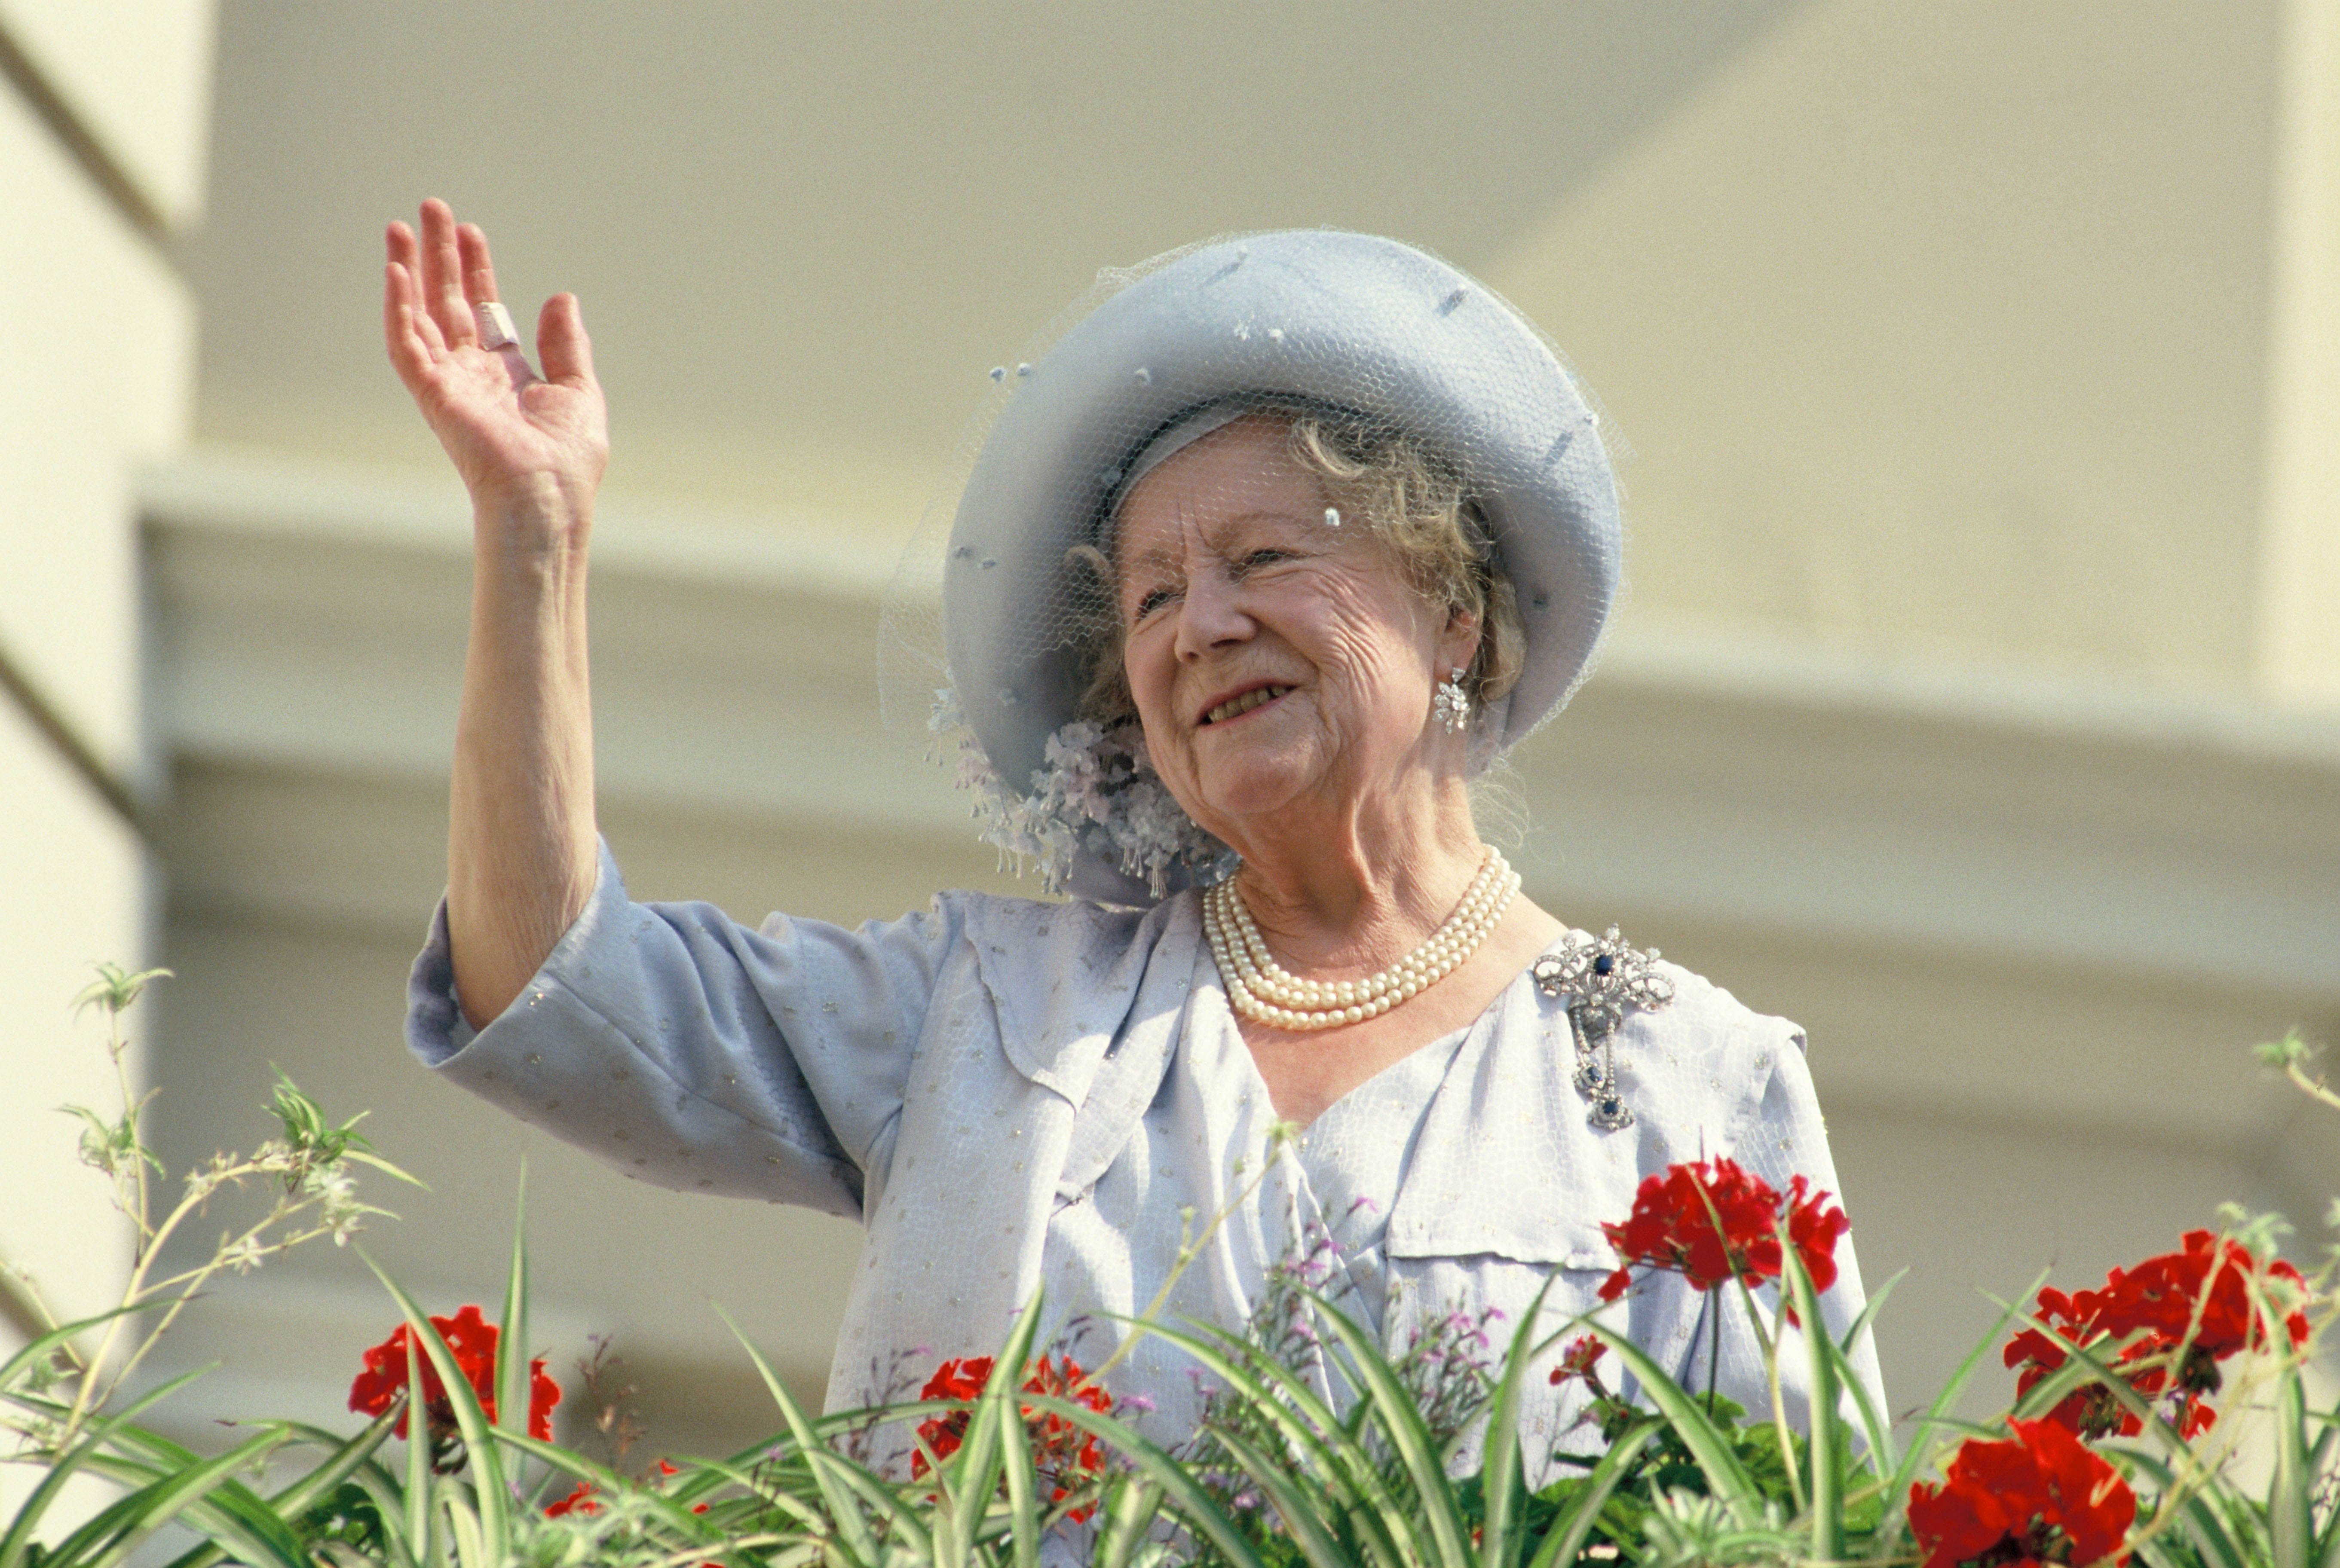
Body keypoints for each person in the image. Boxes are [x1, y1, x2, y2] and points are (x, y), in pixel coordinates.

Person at [384, 201, 1882, 1460]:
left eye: (1262, 558)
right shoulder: (983, 1009)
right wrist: (533, 538)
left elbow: (1796, 1529)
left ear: (1451, 611)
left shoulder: (1689, 1085)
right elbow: (560, 998)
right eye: (1153, 597)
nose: (1201, 626)